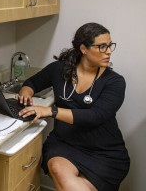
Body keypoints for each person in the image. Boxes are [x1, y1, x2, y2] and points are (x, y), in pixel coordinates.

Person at [16, 23, 130, 191]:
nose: (109, 51)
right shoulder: (59, 69)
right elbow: (32, 82)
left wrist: (50, 111)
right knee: (57, 168)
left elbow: (95, 116)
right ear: (84, 49)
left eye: (110, 45)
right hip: (65, 143)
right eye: (102, 46)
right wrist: (26, 91)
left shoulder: (115, 82)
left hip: (104, 151)